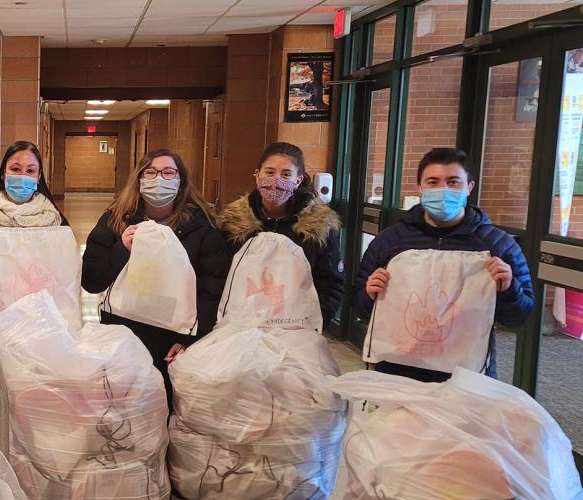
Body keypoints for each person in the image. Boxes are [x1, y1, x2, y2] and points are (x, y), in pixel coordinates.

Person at [354, 147, 533, 382]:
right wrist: (370, 294)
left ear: (469, 187)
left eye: (453, 182)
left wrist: (509, 289)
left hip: (466, 375)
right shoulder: (390, 241)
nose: (443, 190)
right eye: (433, 182)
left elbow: (520, 316)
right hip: (397, 372)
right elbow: (359, 306)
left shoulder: (498, 245)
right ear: (420, 188)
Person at [82, 148, 232, 403]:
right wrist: (122, 250)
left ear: (180, 181)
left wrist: (192, 338)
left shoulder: (202, 226)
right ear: (139, 179)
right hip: (125, 330)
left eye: (168, 172)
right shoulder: (116, 219)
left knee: (167, 403)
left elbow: (213, 288)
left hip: (173, 337)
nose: (159, 179)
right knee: (125, 407)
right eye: (150, 172)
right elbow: (91, 279)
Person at [0, 140, 67, 432]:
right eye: (15, 169)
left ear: (39, 177)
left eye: (30, 170)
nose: (23, 176)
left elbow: (66, 277)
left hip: (43, 332)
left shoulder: (54, 222)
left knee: (38, 422)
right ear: (3, 173)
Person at [218, 141, 343, 327]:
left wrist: (313, 322)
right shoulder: (232, 224)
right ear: (257, 175)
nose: (276, 180)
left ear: (298, 180)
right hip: (240, 325)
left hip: (296, 327)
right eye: (269, 172)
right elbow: (219, 276)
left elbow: (330, 283)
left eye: (286, 174)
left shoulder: (319, 227)